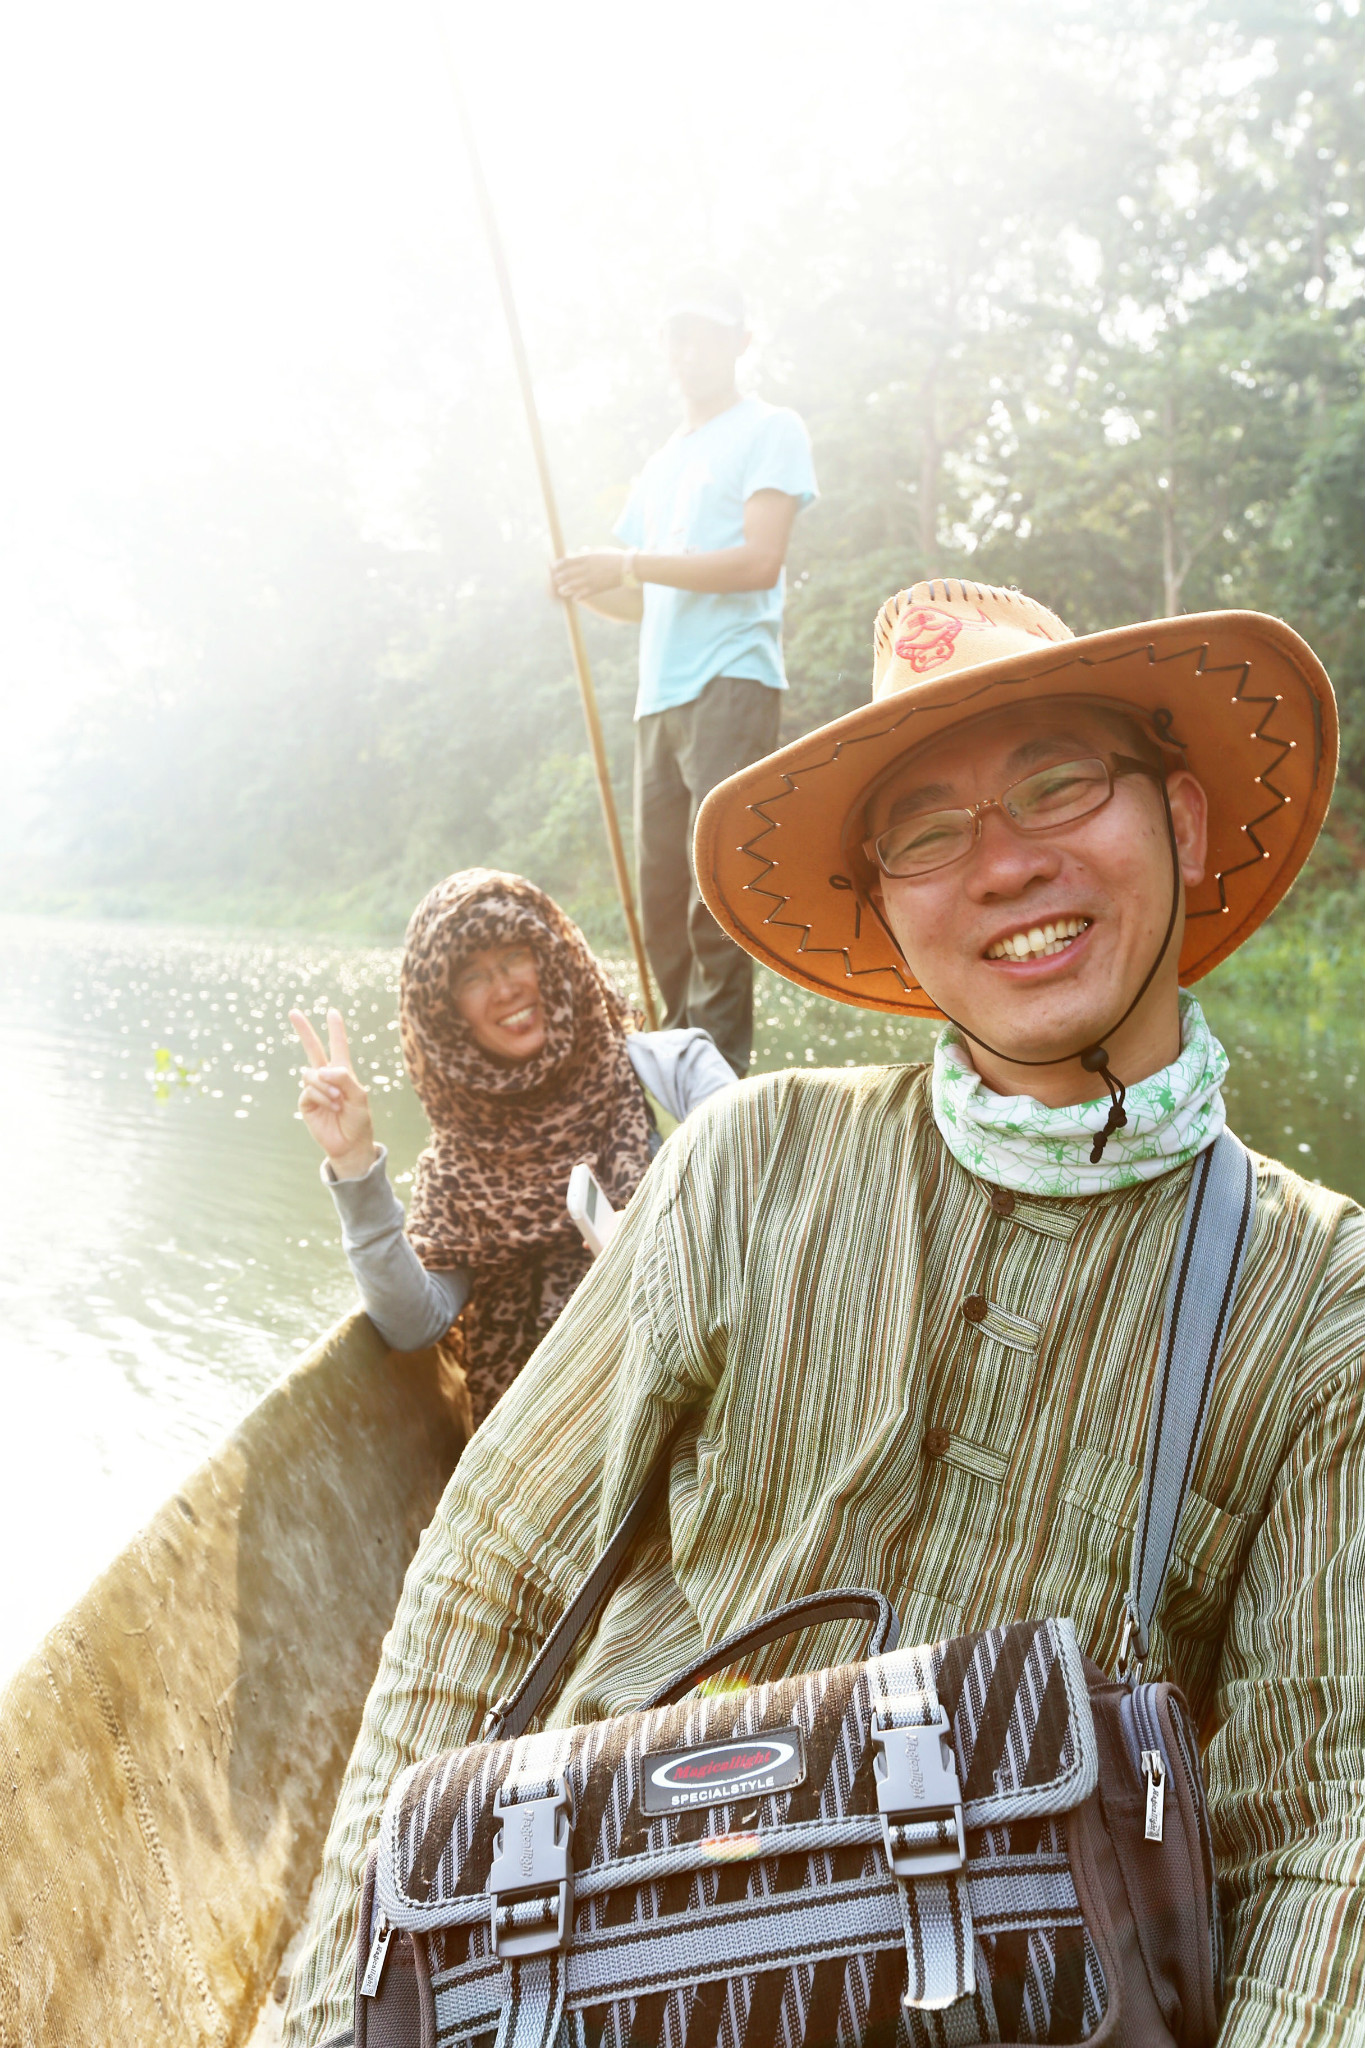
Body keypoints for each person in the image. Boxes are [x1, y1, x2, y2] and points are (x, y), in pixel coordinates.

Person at [283, 582, 1364, 2048]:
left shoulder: (1320, 1302)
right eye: (927, 831)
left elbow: (1320, 1834)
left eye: (1057, 785)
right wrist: (329, 2010)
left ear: (1178, 821)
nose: (1001, 866)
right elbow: (487, 1582)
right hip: (600, 1964)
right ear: (886, 906)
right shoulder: (749, 1157)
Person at [289, 867, 734, 1428]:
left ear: (552, 957)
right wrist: (353, 1163)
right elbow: (413, 1324)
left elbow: (761, 1200)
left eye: (514, 957)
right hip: (536, 1449)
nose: (504, 989)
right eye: (472, 978)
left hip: (695, 1414)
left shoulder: (677, 1069)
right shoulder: (459, 1170)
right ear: (449, 1017)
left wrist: (657, 1243)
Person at [550, 269, 817, 1077]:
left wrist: (626, 560)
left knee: (717, 891)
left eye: (703, 333)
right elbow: (641, 598)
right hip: (655, 699)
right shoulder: (662, 462)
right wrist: (585, 589)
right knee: (660, 898)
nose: (686, 350)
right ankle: (674, 1063)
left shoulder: (770, 428)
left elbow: (757, 562)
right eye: (675, 335)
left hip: (731, 683)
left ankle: (719, 1076)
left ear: (739, 341)